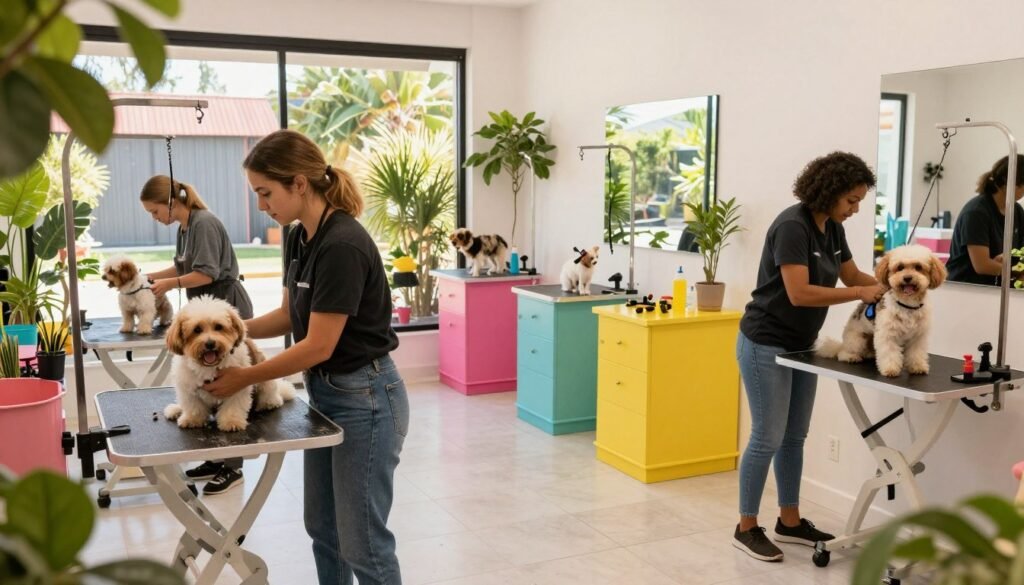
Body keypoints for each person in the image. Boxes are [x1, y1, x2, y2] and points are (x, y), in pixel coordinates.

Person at [204, 129, 408, 585]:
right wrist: (216, 332)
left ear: (299, 183)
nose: (261, 205)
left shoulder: (342, 245)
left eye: (265, 193)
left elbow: (318, 344)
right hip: (325, 393)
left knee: (364, 543)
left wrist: (243, 377)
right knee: (323, 528)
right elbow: (286, 315)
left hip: (366, 399)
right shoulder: (298, 237)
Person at [734, 152, 885, 562]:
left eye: (858, 201)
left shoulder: (832, 228)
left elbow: (853, 276)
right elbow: (799, 293)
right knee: (767, 436)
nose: (855, 209)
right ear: (831, 191)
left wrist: (896, 285)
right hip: (764, 341)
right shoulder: (791, 226)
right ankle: (746, 526)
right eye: (851, 200)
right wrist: (859, 294)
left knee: (795, 436)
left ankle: (790, 521)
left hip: (804, 344)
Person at [140, 175, 253, 495]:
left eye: (154, 210)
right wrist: (147, 277)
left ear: (171, 202)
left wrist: (168, 286)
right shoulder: (185, 228)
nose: (155, 217)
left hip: (225, 311)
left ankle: (232, 468)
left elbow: (206, 273)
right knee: (209, 388)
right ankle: (217, 460)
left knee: (231, 389)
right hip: (204, 313)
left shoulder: (203, 223)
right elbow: (181, 268)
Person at [945, 155, 1024, 286]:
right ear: (1007, 183)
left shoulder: (1017, 211)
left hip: (998, 288)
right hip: (966, 288)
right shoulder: (976, 213)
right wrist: (1016, 272)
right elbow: (982, 265)